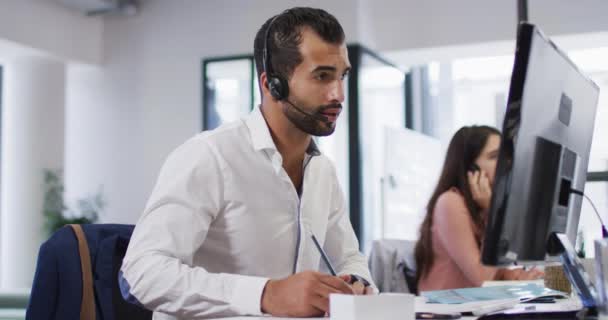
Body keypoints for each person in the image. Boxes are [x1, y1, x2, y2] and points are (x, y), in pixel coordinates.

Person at [119, 7, 374, 320]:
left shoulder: (323, 171)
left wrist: (356, 283)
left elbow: (349, 258)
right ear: (272, 85)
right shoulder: (209, 156)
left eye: (342, 76)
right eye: (322, 76)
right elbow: (142, 273)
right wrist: (266, 293)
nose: (339, 95)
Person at [415, 126, 543, 292]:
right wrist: (494, 213)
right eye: (495, 156)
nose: (507, 162)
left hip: (473, 308)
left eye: (506, 155)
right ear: (471, 170)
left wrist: (512, 275)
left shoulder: (481, 207)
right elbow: (482, 278)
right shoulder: (449, 202)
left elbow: (492, 271)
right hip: (444, 312)